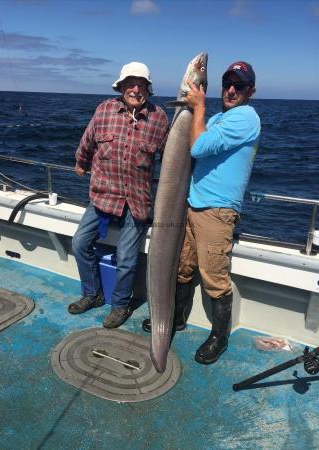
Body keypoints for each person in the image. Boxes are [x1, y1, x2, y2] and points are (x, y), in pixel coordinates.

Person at [142, 61, 260, 365]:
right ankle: (177, 318)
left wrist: (197, 108)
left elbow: (197, 147)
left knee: (214, 277)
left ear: (251, 91)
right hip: (192, 204)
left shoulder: (246, 118)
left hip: (217, 212)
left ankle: (219, 338)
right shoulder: (220, 117)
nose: (231, 90)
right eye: (227, 83)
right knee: (182, 267)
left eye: (239, 86)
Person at [68, 62, 169, 328]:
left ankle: (120, 306)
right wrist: (80, 162)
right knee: (79, 243)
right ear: (121, 86)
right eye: (130, 83)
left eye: (141, 84)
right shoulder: (104, 109)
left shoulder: (159, 117)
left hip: (137, 201)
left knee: (127, 258)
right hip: (103, 195)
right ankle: (92, 294)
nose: (135, 89)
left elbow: (171, 159)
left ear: (148, 88)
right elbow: (87, 141)